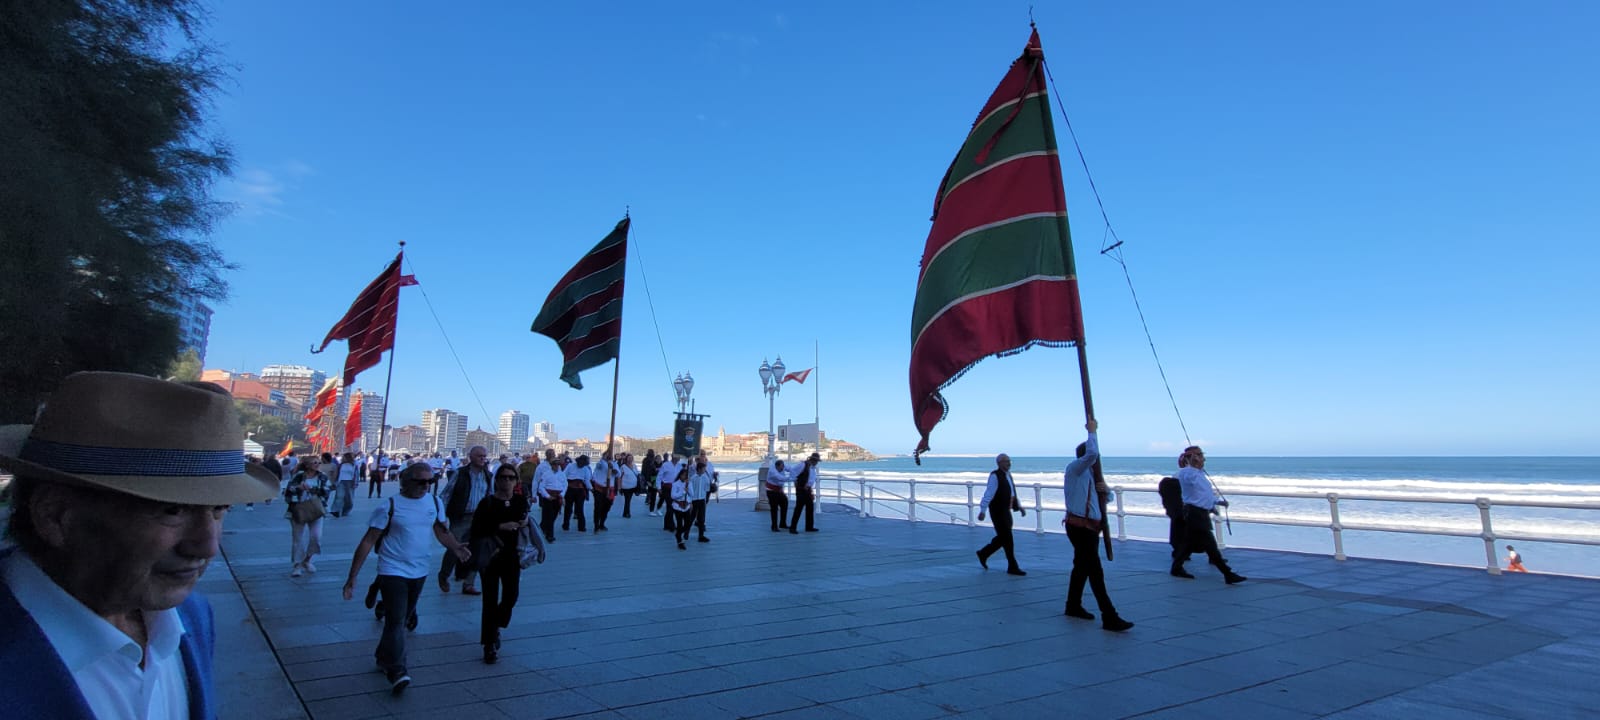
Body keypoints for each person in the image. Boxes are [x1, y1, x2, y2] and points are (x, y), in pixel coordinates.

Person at [0, 371, 279, 718]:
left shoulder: (193, 617)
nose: (207, 546)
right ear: (56, 515)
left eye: (219, 510)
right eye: (172, 510)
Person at [342, 463, 470, 695]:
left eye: (430, 482)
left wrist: (456, 547)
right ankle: (397, 669)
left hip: (419, 570)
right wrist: (352, 577)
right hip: (392, 570)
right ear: (405, 481)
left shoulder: (434, 503)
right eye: (420, 481)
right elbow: (369, 540)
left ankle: (383, 657)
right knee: (397, 620)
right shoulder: (389, 506)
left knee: (402, 617)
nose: (425, 486)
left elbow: (441, 531)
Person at [1060, 420, 1133, 631]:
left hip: (1090, 527)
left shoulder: (1092, 475)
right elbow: (1091, 454)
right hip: (1079, 527)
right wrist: (1092, 433)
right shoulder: (1075, 469)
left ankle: (1072, 605)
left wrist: (1106, 490)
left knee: (1082, 568)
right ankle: (1109, 615)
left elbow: (1103, 499)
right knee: (1094, 569)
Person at [469, 465, 531, 663]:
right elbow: (476, 529)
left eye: (511, 478)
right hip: (490, 556)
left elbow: (524, 520)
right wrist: (499, 526)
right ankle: (489, 643)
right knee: (489, 599)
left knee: (511, 595)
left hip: (512, 556)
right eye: (503, 477)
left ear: (516, 481)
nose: (507, 481)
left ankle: (496, 623)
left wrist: (524, 521)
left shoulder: (520, 501)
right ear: (496, 480)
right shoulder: (487, 503)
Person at [1173, 446, 1247, 584]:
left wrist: (1217, 502)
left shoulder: (1199, 474)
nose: (1203, 459)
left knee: (1189, 544)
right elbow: (1191, 482)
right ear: (1192, 458)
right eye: (1200, 456)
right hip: (1194, 513)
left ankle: (1176, 568)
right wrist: (1193, 463)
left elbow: (1203, 494)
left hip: (1200, 512)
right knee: (1210, 544)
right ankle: (1227, 573)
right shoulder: (1187, 473)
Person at [440, 445, 493, 594]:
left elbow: (490, 495)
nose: (483, 459)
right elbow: (446, 494)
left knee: (477, 549)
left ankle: (469, 584)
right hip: (461, 516)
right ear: (471, 457)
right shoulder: (461, 474)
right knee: (454, 547)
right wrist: (441, 516)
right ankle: (444, 575)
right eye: (479, 456)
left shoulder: (488, 476)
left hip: (479, 517)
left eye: (484, 456)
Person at [976, 453, 1026, 576]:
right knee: (1007, 538)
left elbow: (1012, 493)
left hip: (1006, 511)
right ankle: (1012, 566)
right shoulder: (995, 476)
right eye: (1005, 461)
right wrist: (982, 510)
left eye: (1009, 461)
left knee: (1003, 537)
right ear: (999, 463)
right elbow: (988, 493)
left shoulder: (1008, 475)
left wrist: (1018, 506)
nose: (1008, 463)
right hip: (998, 511)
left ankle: (983, 553)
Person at [285, 454, 331, 577]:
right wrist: (298, 488)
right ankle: (297, 565)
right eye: (314, 463)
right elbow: (288, 489)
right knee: (297, 538)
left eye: (318, 463)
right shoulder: (298, 476)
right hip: (298, 508)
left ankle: (307, 560)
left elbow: (327, 491)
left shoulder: (322, 477)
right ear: (307, 465)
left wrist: (313, 490)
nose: (317, 465)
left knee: (316, 536)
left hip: (316, 509)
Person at [789, 453, 822, 533]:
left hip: (808, 490)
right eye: (815, 460)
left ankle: (809, 527)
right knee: (799, 508)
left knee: (810, 508)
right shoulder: (802, 465)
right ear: (812, 460)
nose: (816, 462)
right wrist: (795, 481)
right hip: (801, 489)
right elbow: (793, 471)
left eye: (817, 461)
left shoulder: (813, 468)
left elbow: (811, 479)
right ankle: (793, 528)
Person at [686, 457, 714, 543]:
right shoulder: (693, 478)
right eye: (703, 469)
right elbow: (690, 490)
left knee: (701, 519)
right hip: (694, 500)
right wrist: (689, 501)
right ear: (698, 469)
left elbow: (707, 489)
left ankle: (701, 536)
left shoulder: (705, 478)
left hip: (702, 500)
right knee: (691, 517)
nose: (705, 470)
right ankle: (686, 532)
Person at [563, 455, 592, 532]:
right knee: (568, 508)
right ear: (579, 461)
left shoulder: (586, 469)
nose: (582, 465)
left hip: (580, 490)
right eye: (581, 463)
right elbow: (564, 476)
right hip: (570, 489)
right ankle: (565, 525)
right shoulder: (570, 466)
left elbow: (587, 481)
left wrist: (591, 489)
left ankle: (581, 527)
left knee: (580, 509)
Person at [589, 451, 617, 532]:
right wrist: (605, 462)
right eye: (606, 455)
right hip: (599, 488)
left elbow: (617, 474)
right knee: (597, 507)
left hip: (609, 489)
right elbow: (599, 466)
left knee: (606, 507)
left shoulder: (614, 464)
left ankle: (602, 523)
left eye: (609, 455)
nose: (608, 457)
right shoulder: (600, 463)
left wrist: (612, 468)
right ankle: (596, 525)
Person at [670, 466, 693, 550]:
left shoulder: (689, 483)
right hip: (677, 507)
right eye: (683, 475)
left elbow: (692, 494)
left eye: (686, 475)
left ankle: (678, 534)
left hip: (686, 506)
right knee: (680, 524)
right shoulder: (675, 484)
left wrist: (688, 488)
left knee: (688, 523)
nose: (685, 477)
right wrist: (683, 492)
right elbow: (673, 496)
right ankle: (680, 541)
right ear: (680, 475)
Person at [765, 459, 791, 532]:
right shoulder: (772, 471)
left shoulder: (782, 466)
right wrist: (793, 478)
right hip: (771, 491)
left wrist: (796, 472)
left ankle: (782, 523)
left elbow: (789, 468)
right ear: (777, 466)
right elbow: (781, 478)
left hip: (779, 490)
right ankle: (774, 526)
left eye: (783, 467)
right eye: (781, 468)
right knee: (774, 508)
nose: (782, 469)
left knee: (785, 503)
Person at [659, 453, 682, 531]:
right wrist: (659, 487)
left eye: (679, 456)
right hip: (667, 488)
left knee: (672, 506)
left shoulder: (680, 466)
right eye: (677, 456)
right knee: (670, 506)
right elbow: (659, 476)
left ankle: (666, 524)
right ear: (672, 456)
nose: (678, 457)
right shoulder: (665, 465)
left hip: (676, 488)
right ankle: (671, 525)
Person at [333, 451, 360, 518]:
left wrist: (356, 483)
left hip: (350, 482)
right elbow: (337, 474)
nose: (343, 458)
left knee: (349, 498)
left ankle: (346, 510)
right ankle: (335, 510)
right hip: (341, 482)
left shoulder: (354, 465)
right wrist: (335, 482)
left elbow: (356, 474)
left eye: (344, 457)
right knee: (339, 496)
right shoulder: (341, 465)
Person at [618, 453, 640, 518]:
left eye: (631, 458)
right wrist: (619, 487)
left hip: (633, 486)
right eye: (629, 458)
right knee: (627, 500)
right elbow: (620, 477)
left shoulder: (634, 466)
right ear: (626, 459)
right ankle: (627, 513)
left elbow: (637, 474)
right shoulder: (623, 467)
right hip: (625, 486)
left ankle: (625, 513)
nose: (630, 459)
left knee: (628, 500)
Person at [641, 449, 661, 517]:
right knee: (654, 496)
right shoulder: (651, 461)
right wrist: (647, 481)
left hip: (653, 480)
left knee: (655, 495)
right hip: (653, 479)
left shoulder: (647, 460)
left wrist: (646, 480)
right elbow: (648, 471)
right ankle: (652, 510)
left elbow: (643, 470)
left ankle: (654, 509)